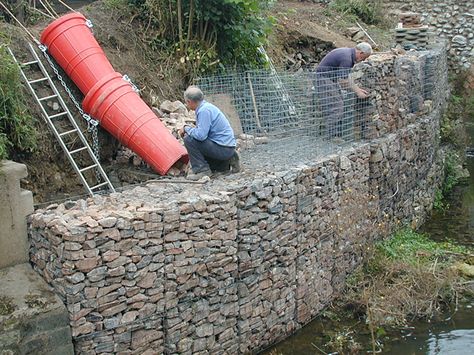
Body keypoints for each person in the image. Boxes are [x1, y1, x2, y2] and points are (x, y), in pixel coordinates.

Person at [179, 86, 240, 180]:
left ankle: (202, 170)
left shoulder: (204, 111)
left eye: (186, 102)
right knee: (215, 167)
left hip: (223, 149)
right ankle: (225, 163)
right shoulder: (207, 107)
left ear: (189, 101)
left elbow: (201, 136)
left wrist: (186, 128)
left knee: (189, 139)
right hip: (226, 147)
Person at [315, 42, 372, 140]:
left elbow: (345, 77)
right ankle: (330, 137)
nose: (364, 60)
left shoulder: (348, 54)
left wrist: (358, 89)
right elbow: (343, 81)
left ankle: (334, 134)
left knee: (338, 102)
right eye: (364, 57)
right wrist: (358, 92)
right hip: (323, 78)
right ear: (361, 53)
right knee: (337, 106)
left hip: (329, 78)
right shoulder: (347, 58)